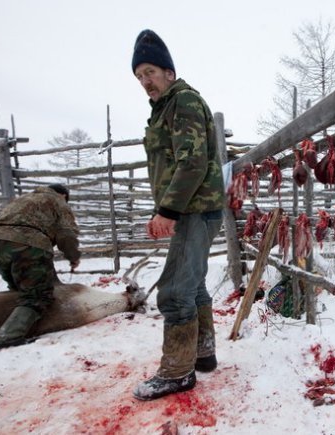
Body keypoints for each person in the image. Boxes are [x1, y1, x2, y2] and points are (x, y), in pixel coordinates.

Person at [131, 29, 226, 401]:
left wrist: (168, 210)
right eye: (139, 76)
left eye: (150, 72)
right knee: (194, 284)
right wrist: (164, 209)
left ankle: (177, 372)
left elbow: (193, 162)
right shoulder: (166, 108)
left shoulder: (182, 101)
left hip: (193, 210)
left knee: (174, 291)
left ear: (169, 72)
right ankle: (202, 353)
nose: (145, 82)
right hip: (193, 209)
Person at [0, 184, 80, 351]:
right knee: (37, 295)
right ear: (63, 195)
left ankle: (3, 324)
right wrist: (73, 257)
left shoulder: (23, 199)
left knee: (18, 288)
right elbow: (66, 234)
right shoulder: (58, 202)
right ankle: (8, 337)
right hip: (28, 243)